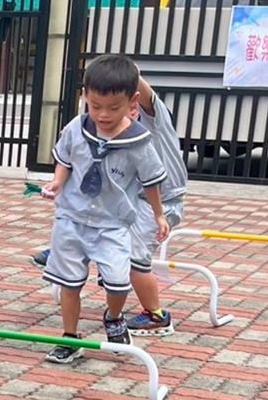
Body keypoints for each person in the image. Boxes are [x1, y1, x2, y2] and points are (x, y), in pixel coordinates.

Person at [40, 54, 168, 364]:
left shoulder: (138, 141)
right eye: (96, 106)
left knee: (118, 281)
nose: (103, 115)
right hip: (71, 218)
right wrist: (57, 182)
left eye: (113, 108)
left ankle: (113, 317)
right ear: (85, 95)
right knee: (69, 282)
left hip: (112, 223)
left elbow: (151, 180)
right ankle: (70, 337)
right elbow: (65, 160)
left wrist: (159, 214)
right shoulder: (77, 127)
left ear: (132, 102)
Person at [126, 78, 189, 335]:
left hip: (161, 203)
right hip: (133, 201)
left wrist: (121, 68)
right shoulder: (116, 128)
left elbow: (144, 92)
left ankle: (156, 316)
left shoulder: (154, 120)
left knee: (136, 260)